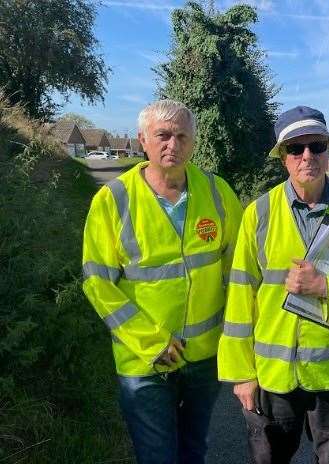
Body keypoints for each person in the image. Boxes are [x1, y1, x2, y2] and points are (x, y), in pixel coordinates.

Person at [218, 106, 329, 463]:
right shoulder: (259, 214)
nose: (307, 156)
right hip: (273, 377)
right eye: (295, 149)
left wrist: (328, 288)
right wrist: (241, 375)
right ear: (282, 157)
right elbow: (240, 296)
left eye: (316, 146)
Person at [82, 99, 243, 463]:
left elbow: (239, 271)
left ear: (194, 142)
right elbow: (96, 281)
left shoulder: (218, 193)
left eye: (182, 136)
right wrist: (151, 342)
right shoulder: (113, 200)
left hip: (205, 356)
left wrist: (240, 340)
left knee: (193, 448)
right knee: (157, 455)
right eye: (163, 135)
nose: (173, 144)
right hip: (144, 361)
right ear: (143, 140)